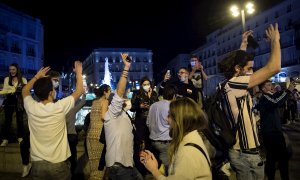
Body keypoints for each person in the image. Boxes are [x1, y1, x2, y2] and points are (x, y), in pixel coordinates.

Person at [218, 23, 281, 180]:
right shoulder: (235, 83)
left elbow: (239, 63)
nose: (252, 73)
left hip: (239, 151)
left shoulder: (226, 84)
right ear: (238, 70)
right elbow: (274, 67)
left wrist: (244, 43)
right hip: (246, 153)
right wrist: (275, 41)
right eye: (249, 69)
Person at [22, 61, 84, 180]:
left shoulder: (31, 107)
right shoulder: (59, 107)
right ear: (51, 92)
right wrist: (79, 73)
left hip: (37, 165)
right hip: (58, 165)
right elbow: (79, 91)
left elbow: (25, 91)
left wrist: (36, 77)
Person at [140, 97, 212, 179]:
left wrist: (154, 170)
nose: (166, 120)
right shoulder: (191, 139)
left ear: (179, 120)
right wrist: (156, 165)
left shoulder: (188, 152)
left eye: (169, 116)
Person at [104, 53, 143, 180]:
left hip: (126, 163)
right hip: (119, 165)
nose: (126, 100)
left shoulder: (123, 114)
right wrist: (126, 68)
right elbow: (120, 92)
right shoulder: (112, 113)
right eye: (123, 99)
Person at [258, 80, 295, 180]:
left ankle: (272, 177)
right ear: (263, 88)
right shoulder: (265, 97)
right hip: (272, 133)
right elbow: (277, 102)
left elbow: (277, 98)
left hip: (271, 132)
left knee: (272, 158)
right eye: (269, 85)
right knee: (281, 158)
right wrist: (288, 91)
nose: (272, 86)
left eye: (271, 84)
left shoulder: (269, 96)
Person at [146, 84, 177, 175]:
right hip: (166, 142)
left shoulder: (153, 105)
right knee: (168, 170)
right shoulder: (171, 107)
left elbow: (147, 123)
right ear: (174, 96)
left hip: (153, 141)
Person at [130, 76, 158, 176]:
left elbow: (157, 106)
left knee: (150, 143)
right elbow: (132, 108)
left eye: (148, 84)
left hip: (152, 122)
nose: (146, 86)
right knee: (139, 144)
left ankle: (151, 166)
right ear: (141, 85)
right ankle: (140, 167)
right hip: (141, 121)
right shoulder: (137, 94)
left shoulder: (154, 94)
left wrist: (150, 97)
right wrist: (139, 106)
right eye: (144, 84)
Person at [86, 84, 111, 180]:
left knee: (93, 163)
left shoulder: (94, 102)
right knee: (100, 163)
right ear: (105, 91)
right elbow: (103, 116)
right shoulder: (105, 101)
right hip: (99, 134)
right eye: (109, 91)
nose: (110, 93)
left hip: (91, 134)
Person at [0, 63, 27, 146]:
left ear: (17, 70)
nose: (11, 71)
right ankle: (5, 139)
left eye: (13, 69)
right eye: (10, 69)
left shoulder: (23, 79)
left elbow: (25, 91)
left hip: (19, 101)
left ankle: (20, 137)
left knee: (20, 120)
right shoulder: (7, 79)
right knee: (7, 120)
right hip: (9, 99)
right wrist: (2, 92)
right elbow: (4, 90)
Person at [66, 93, 86, 179]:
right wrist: (84, 94)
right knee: (73, 155)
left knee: (65, 155)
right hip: (72, 135)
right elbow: (83, 102)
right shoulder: (72, 110)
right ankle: (74, 173)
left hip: (63, 136)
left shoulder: (59, 111)